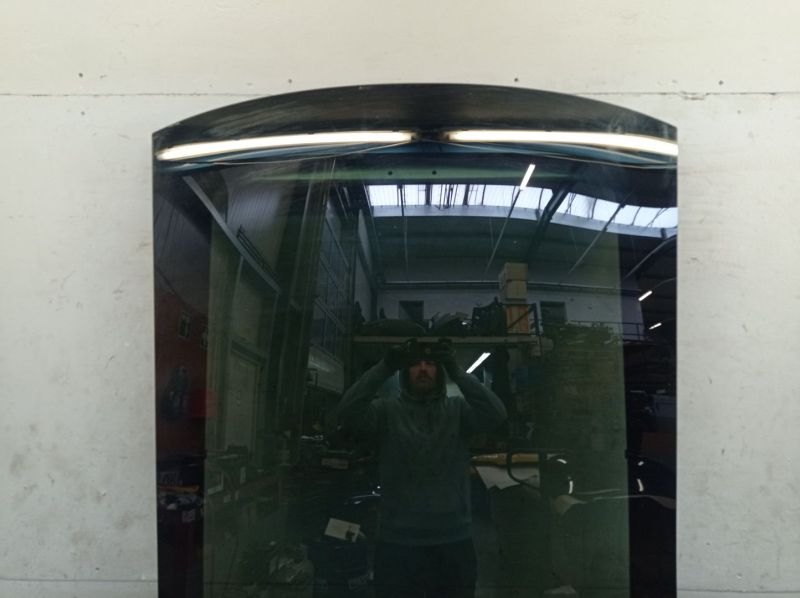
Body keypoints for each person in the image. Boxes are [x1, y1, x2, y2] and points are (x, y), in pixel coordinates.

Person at [336, 338, 507, 598]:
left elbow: (496, 414)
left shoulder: (458, 410)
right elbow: (347, 412)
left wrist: (456, 370)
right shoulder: (386, 411)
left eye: (430, 363)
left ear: (440, 371)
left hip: (453, 539)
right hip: (398, 542)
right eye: (416, 363)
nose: (423, 368)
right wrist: (384, 366)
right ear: (405, 372)